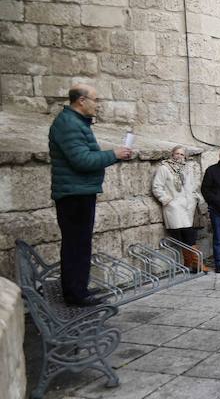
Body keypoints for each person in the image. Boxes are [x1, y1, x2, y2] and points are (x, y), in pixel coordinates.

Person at [49, 85, 132, 305]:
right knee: (76, 245)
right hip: (74, 194)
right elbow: (82, 160)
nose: (98, 105)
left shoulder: (75, 123)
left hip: (79, 192)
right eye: (96, 100)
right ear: (81, 100)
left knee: (80, 244)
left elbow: (87, 156)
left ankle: (79, 291)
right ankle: (75, 294)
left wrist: (113, 155)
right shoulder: (69, 124)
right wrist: (114, 154)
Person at [152, 145, 207, 272]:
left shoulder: (187, 169)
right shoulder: (164, 168)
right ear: (172, 154)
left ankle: (190, 264)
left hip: (189, 207)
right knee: (188, 235)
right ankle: (197, 263)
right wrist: (168, 201)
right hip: (175, 207)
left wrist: (195, 198)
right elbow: (157, 187)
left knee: (187, 235)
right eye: (177, 153)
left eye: (182, 154)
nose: (179, 156)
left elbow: (192, 186)